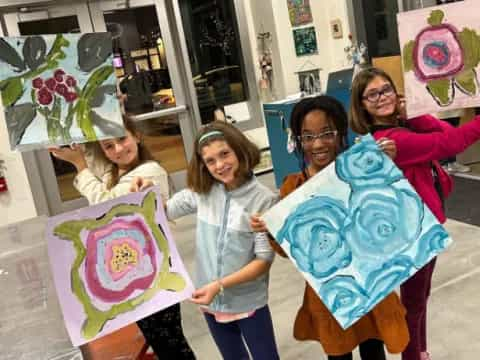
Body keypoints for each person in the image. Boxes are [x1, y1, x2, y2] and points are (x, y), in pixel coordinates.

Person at [251, 95, 409, 360]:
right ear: (298, 141)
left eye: (326, 133)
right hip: (331, 295)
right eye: (308, 136)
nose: (318, 143)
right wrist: (270, 227)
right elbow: (288, 250)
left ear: (340, 133)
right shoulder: (293, 187)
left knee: (374, 348)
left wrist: (386, 168)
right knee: (339, 352)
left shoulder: (359, 171)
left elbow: (394, 216)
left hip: (370, 284)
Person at [349, 67, 480, 360]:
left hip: (425, 224)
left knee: (419, 297)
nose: (382, 97)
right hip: (413, 230)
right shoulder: (392, 140)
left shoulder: (402, 128)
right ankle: (413, 355)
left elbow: (447, 135)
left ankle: (419, 351)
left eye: (386, 89)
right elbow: (452, 143)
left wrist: (416, 115)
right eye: (372, 94)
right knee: (413, 302)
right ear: (361, 106)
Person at [49, 115, 195, 359]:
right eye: (108, 146)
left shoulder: (150, 171)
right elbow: (92, 155)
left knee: (171, 344)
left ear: (136, 135)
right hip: (133, 271)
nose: (118, 149)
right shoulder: (114, 172)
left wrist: (80, 165)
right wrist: (84, 116)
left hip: (155, 273)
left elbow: (106, 207)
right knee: (161, 342)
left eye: (122, 139)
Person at [163, 121, 280, 360]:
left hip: (249, 303)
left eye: (224, 154)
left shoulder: (263, 200)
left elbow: (263, 261)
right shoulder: (203, 192)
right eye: (210, 160)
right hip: (210, 302)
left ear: (239, 149)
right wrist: (145, 193)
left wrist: (219, 285)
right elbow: (164, 210)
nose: (219, 165)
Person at [437, 109, 471, 173]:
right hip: (440, 108)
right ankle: (442, 164)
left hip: (455, 108)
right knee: (442, 135)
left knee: (454, 134)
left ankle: (452, 162)